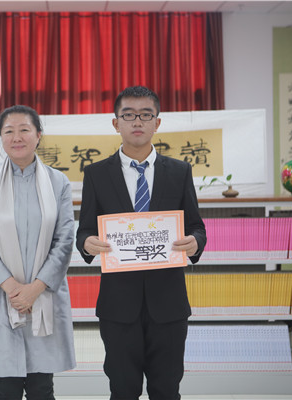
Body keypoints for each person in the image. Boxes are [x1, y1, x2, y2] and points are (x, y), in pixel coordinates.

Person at [76, 86, 207, 400]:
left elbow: (196, 226)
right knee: (123, 390)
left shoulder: (179, 171)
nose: (137, 121)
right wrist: (88, 244)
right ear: (116, 123)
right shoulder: (96, 174)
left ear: (157, 123)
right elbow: (84, 231)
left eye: (146, 115)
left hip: (169, 302)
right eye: (129, 115)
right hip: (118, 305)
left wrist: (195, 242)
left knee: (166, 390)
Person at [0, 105, 76, 399]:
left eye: (24, 129)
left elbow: (64, 240)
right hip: (0, 297)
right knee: (6, 387)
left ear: (38, 135)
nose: (17, 137)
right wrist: (15, 290)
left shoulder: (58, 182)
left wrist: (34, 290)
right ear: (0, 137)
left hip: (44, 295)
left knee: (42, 386)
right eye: (9, 131)